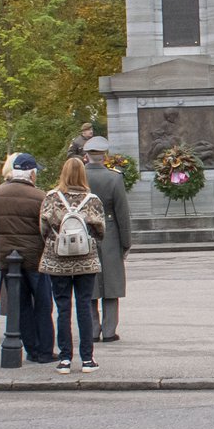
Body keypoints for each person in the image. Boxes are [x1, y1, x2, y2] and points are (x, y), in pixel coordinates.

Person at [0, 152, 51, 362]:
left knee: (20, 305)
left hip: (8, 260)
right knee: (42, 304)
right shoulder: (40, 197)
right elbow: (47, 230)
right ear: (31, 174)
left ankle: (31, 348)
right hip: (35, 259)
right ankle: (45, 350)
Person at [41, 157, 106, 372]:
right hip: (85, 261)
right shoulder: (92, 200)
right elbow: (100, 231)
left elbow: (43, 228)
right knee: (85, 306)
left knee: (62, 308)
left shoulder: (51, 198)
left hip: (58, 260)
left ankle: (65, 358)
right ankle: (87, 359)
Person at [82, 138, 133, 340]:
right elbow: (122, 213)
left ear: (86, 155)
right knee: (111, 282)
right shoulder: (114, 178)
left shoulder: (79, 176)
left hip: (84, 232)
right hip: (110, 231)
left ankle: (93, 330)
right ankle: (109, 330)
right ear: (105, 156)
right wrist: (126, 242)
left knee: (89, 281)